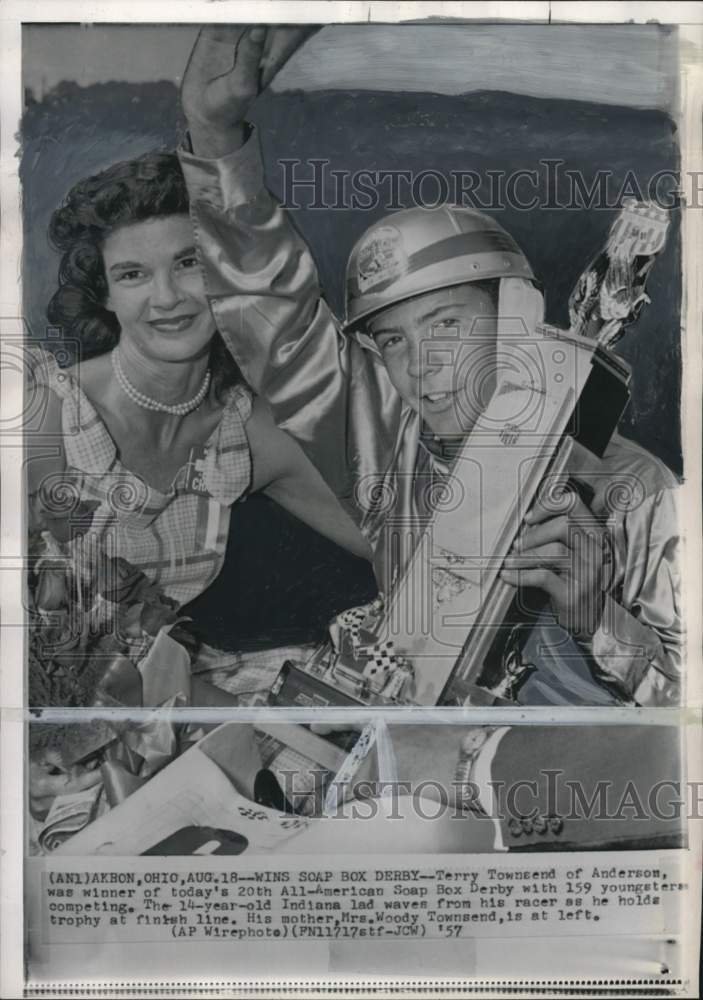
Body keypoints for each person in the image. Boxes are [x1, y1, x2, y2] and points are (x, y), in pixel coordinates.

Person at [178, 26, 681, 707]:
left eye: (447, 324)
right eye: (392, 341)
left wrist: (598, 615)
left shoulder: (640, 492)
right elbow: (281, 329)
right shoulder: (396, 451)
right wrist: (213, 136)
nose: (422, 367)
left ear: (516, 320)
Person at [27, 149, 373, 711]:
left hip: (179, 706)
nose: (167, 299)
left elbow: (402, 546)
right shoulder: (49, 414)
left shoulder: (252, 429)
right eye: (133, 274)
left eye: (189, 263)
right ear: (106, 294)